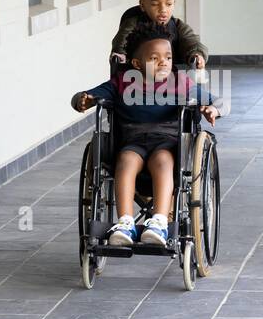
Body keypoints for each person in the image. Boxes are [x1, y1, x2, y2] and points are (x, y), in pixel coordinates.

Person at [72, 23, 223, 247]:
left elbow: (218, 101)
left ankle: (159, 221)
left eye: (168, 57)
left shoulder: (181, 83)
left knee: (162, 161)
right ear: (136, 64)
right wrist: (82, 100)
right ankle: (125, 222)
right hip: (131, 141)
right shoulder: (122, 83)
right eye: (155, 58)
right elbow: (86, 96)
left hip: (167, 142)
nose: (164, 62)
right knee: (125, 161)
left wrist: (213, 109)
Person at [110, 0, 208, 70]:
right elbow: (121, 43)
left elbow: (191, 41)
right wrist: (120, 57)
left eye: (169, 4)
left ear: (174, 2)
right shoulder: (132, 23)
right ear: (143, 5)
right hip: (137, 78)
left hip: (170, 78)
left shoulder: (178, 26)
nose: (163, 10)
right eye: (155, 4)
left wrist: (197, 54)